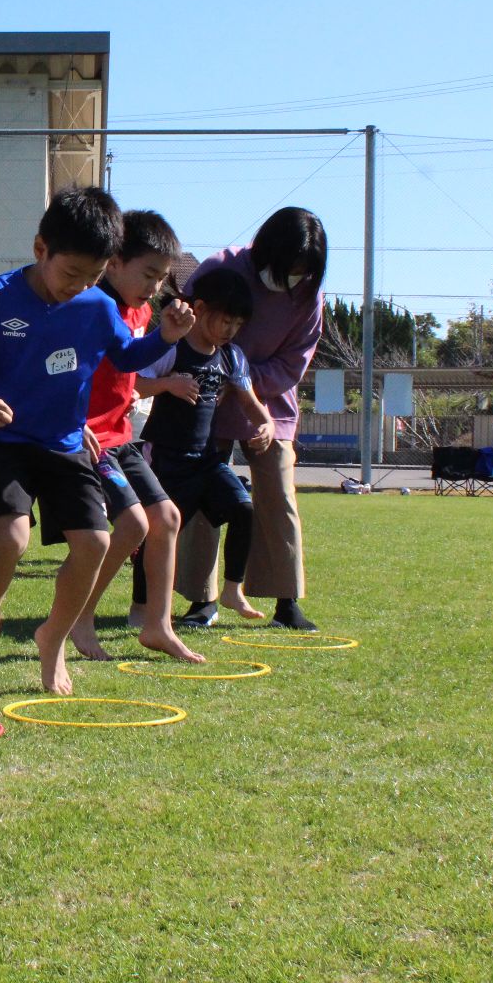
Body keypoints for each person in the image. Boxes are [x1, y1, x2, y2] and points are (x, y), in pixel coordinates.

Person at [0, 187, 193, 695]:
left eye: (91, 276)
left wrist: (166, 338)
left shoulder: (96, 307)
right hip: (4, 438)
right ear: (41, 249)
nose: (79, 286)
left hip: (64, 443)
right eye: (71, 273)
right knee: (11, 537)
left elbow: (125, 358)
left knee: (97, 541)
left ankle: (54, 637)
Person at [174, 207, 327, 631]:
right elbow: (187, 326)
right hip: (207, 398)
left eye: (302, 272)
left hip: (270, 405)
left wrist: (245, 385)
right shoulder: (221, 267)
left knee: (278, 496)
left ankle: (286, 600)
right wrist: (213, 375)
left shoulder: (309, 296)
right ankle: (200, 599)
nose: (293, 278)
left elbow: (293, 363)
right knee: (204, 496)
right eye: (287, 268)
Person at [67, 210, 205, 665]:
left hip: (121, 435)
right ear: (114, 262)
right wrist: (73, 419)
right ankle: (78, 619)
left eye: (161, 277)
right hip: (88, 439)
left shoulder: (143, 309)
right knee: (132, 524)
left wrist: (168, 335)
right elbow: (64, 368)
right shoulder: (88, 304)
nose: (153, 285)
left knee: (166, 518)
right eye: (148, 273)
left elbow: (131, 367)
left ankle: (157, 625)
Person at [138, 269, 276, 626]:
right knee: (158, 534)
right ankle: (141, 607)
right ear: (198, 308)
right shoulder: (169, 346)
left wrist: (267, 423)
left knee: (244, 508)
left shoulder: (231, 356)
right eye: (225, 320)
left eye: (238, 323)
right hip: (167, 459)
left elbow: (249, 401)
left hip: (207, 460)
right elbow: (134, 385)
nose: (231, 330)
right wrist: (168, 384)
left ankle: (232, 589)